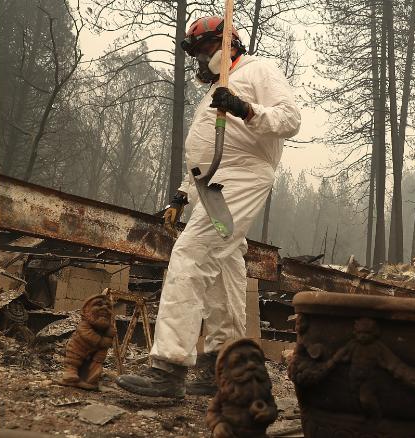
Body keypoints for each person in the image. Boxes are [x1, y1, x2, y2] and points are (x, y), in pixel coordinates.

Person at [116, 16, 300, 398]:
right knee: (224, 268)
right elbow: (206, 146)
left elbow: (290, 119)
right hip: (211, 186)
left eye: (204, 50)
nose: (201, 60)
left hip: (242, 177)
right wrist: (183, 194)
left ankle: (168, 366)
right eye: (197, 53)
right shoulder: (217, 87)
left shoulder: (258, 69)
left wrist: (245, 108)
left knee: (191, 256)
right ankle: (224, 365)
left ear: (227, 44)